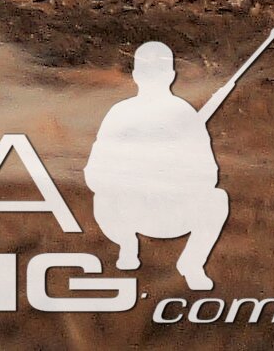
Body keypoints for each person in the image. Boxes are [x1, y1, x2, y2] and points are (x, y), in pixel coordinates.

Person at [86, 42, 232, 290]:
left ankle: (185, 262)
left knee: (216, 198)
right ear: (171, 76)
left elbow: (208, 176)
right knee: (217, 199)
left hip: (164, 212)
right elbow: (95, 174)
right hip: (139, 210)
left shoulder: (125, 112)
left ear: (135, 76)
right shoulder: (174, 113)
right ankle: (129, 246)